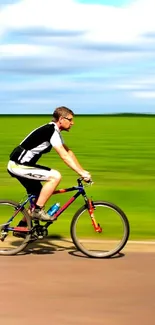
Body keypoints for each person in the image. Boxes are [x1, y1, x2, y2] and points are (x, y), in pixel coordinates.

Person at [7, 106, 91, 225]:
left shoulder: (54, 131)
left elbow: (69, 153)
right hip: (18, 165)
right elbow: (64, 156)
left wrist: (83, 171)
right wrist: (80, 173)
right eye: (70, 119)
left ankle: (23, 227)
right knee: (55, 176)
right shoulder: (51, 131)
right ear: (61, 119)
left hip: (23, 165)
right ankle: (37, 211)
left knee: (40, 196)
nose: (73, 123)